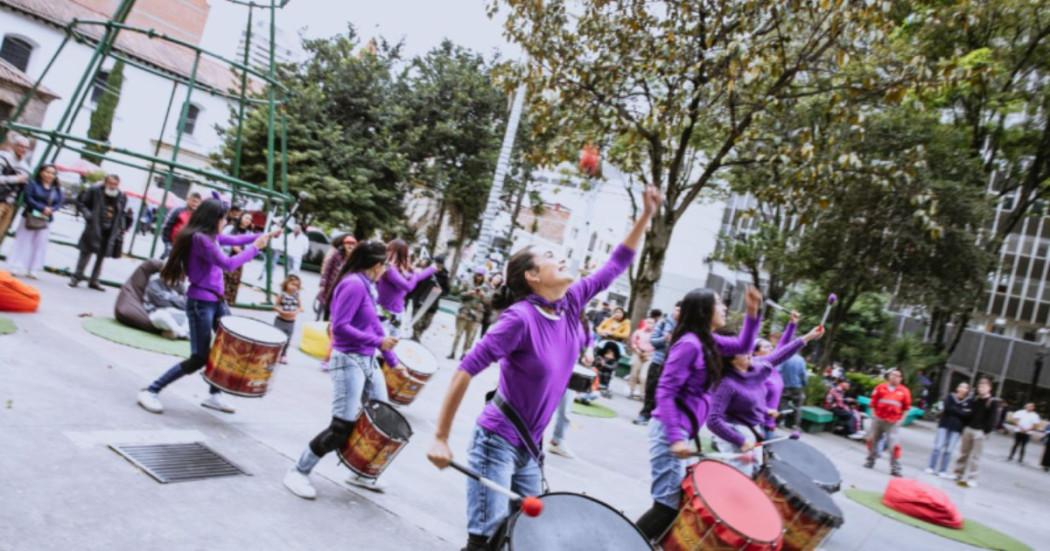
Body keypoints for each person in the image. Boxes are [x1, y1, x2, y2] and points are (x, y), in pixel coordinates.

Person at [426, 186, 661, 551]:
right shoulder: (518, 320)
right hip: (497, 442)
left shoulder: (571, 303)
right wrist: (441, 436)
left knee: (530, 537)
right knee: (486, 541)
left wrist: (645, 217)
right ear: (532, 276)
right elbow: (465, 369)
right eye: (550, 255)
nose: (561, 258)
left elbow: (616, 264)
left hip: (530, 447)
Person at [634, 286, 762, 541]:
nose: (724, 308)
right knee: (666, 507)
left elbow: (743, 344)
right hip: (669, 432)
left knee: (674, 505)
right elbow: (665, 391)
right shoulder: (690, 345)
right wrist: (675, 438)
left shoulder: (708, 341)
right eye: (719, 303)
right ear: (704, 310)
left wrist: (752, 312)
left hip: (681, 432)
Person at [283, 241, 402, 499]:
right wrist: (379, 342)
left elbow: (374, 324)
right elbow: (339, 327)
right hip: (348, 360)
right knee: (341, 426)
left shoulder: (368, 285)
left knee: (379, 421)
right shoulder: (353, 284)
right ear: (376, 265)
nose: (386, 271)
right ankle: (298, 471)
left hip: (368, 359)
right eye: (385, 266)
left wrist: (392, 360)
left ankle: (360, 472)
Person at [136, 199, 278, 415]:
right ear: (213, 219)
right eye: (224, 218)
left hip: (217, 301)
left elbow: (236, 239)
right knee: (199, 358)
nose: (226, 222)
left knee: (226, 348)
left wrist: (265, 235)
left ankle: (214, 395)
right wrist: (255, 248)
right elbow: (228, 264)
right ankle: (152, 390)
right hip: (201, 303)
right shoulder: (201, 239)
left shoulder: (210, 236)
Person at [709, 322, 824, 476]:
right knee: (741, 477)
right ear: (731, 358)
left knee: (756, 471)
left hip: (753, 429)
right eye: (743, 350)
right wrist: (740, 440)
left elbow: (781, 354)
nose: (749, 351)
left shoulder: (757, 367)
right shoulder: (726, 384)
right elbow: (713, 420)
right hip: (734, 430)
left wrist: (808, 337)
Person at [68, 174, 127, 291]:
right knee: (85, 252)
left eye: (115, 184)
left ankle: (94, 280)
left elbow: (121, 213)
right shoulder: (94, 190)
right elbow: (81, 203)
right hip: (94, 226)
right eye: (110, 183)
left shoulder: (121, 196)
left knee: (101, 256)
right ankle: (77, 277)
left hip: (109, 229)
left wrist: (121, 227)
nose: (113, 186)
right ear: (105, 182)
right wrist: (88, 215)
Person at [8, 164, 62, 279]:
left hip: (45, 219)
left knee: (40, 244)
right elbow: (28, 198)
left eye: (53, 173)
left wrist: (51, 209)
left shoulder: (56, 188)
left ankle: (33, 269)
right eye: (47, 172)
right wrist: (42, 208)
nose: (50, 175)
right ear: (41, 172)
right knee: (23, 241)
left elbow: (59, 203)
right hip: (29, 216)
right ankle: (15, 265)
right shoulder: (32, 184)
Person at [376, 239, 437, 338]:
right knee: (382, 341)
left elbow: (415, 278)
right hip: (385, 312)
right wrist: (415, 274)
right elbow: (408, 286)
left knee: (393, 341)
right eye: (407, 254)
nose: (408, 256)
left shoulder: (399, 269)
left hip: (397, 312)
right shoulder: (389, 268)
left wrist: (431, 269)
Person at [633, 302, 680, 425]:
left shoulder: (686, 326)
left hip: (674, 364)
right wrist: (664, 339)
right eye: (677, 309)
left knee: (665, 393)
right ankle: (645, 414)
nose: (678, 313)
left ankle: (658, 417)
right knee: (651, 388)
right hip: (658, 361)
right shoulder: (663, 322)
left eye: (681, 310)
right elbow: (653, 340)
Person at [864, 369, 913, 477]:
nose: (894, 377)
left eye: (897, 376)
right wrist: (874, 415)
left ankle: (895, 467)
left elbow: (906, 408)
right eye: (892, 375)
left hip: (893, 422)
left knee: (893, 445)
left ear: (901, 378)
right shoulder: (880, 388)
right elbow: (873, 403)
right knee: (872, 440)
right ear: (889, 376)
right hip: (878, 419)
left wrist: (902, 420)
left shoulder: (904, 391)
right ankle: (870, 460)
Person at [955, 377, 999, 487]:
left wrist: (985, 431)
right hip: (968, 429)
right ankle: (958, 474)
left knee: (976, 456)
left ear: (989, 388)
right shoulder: (974, 400)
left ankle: (972, 478)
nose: (981, 389)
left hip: (980, 432)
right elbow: (968, 413)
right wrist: (964, 426)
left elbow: (993, 419)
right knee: (963, 453)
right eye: (980, 386)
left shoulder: (992, 402)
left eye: (984, 386)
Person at [926, 381, 972, 477]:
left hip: (957, 428)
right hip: (944, 425)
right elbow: (947, 408)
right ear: (957, 388)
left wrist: (955, 410)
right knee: (938, 447)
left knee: (949, 450)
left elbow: (967, 415)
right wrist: (960, 411)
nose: (962, 389)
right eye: (961, 386)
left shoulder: (969, 401)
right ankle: (931, 467)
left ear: (967, 390)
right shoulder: (950, 397)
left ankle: (943, 470)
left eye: (965, 387)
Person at [0, 135, 32, 251]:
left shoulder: (25, 166)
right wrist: (16, 179)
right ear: (14, 146)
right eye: (20, 146)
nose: (23, 149)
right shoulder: (3, 158)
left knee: (1, 233)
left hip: (11, 204)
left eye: (25, 147)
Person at [449, 269, 488, 359]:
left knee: (470, 336)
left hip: (476, 315)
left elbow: (488, 302)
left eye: (481, 275)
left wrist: (483, 296)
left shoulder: (486, 287)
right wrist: (468, 293)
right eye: (477, 275)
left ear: (483, 277)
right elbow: (458, 294)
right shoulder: (467, 283)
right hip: (464, 312)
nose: (479, 277)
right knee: (458, 334)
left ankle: (464, 354)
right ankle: (452, 352)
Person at [317, 234, 356, 321]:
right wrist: (322, 284)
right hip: (330, 287)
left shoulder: (354, 259)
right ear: (344, 244)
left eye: (353, 244)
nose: (350, 246)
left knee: (337, 312)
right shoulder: (337, 254)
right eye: (348, 243)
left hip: (343, 289)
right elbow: (327, 270)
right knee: (326, 311)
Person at [410, 255, 449, 337]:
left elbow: (446, 291)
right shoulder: (427, 271)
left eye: (440, 265)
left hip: (432, 302)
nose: (438, 266)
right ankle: (415, 336)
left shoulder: (444, 276)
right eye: (436, 264)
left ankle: (418, 335)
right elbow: (416, 282)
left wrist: (440, 291)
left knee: (427, 323)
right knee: (416, 320)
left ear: (442, 265)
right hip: (420, 299)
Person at [143, 273, 189, 339]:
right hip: (158, 311)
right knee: (161, 316)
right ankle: (181, 333)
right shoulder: (155, 281)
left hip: (175, 312)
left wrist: (169, 297)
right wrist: (176, 298)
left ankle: (175, 333)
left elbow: (185, 304)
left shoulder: (180, 284)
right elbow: (160, 301)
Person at [222, 212, 254, 305]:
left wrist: (246, 254)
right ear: (241, 217)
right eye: (246, 217)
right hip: (225, 258)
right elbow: (221, 239)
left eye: (250, 219)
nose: (248, 220)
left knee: (233, 282)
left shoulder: (249, 233)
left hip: (238, 262)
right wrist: (232, 246)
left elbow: (251, 248)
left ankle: (228, 303)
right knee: (222, 280)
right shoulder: (230, 228)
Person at [273, 274, 304, 364]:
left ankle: (283, 355)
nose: (294, 287)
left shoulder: (296, 296)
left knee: (287, 339)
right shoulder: (282, 295)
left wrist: (296, 311)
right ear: (286, 284)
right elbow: (275, 306)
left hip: (291, 322)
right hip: (280, 321)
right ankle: (274, 354)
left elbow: (301, 307)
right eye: (292, 284)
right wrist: (282, 311)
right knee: (277, 338)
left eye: (297, 285)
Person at [160, 192, 202, 259]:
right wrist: (167, 242)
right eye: (193, 201)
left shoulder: (198, 216)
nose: (195, 204)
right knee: (167, 258)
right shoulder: (177, 210)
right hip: (172, 244)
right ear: (188, 200)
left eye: (198, 202)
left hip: (187, 247)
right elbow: (167, 226)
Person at [627, 310, 658, 400]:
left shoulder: (656, 334)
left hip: (649, 355)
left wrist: (648, 353)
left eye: (651, 323)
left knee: (643, 376)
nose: (649, 324)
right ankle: (631, 391)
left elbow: (657, 346)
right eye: (648, 322)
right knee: (634, 374)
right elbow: (633, 342)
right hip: (638, 353)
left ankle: (642, 394)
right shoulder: (638, 332)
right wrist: (637, 350)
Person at [777, 342, 809, 429]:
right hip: (797, 386)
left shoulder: (785, 358)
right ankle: (796, 425)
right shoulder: (801, 360)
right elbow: (803, 374)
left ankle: (780, 422)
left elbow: (778, 370)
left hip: (785, 385)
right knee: (798, 406)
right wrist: (804, 384)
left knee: (783, 404)